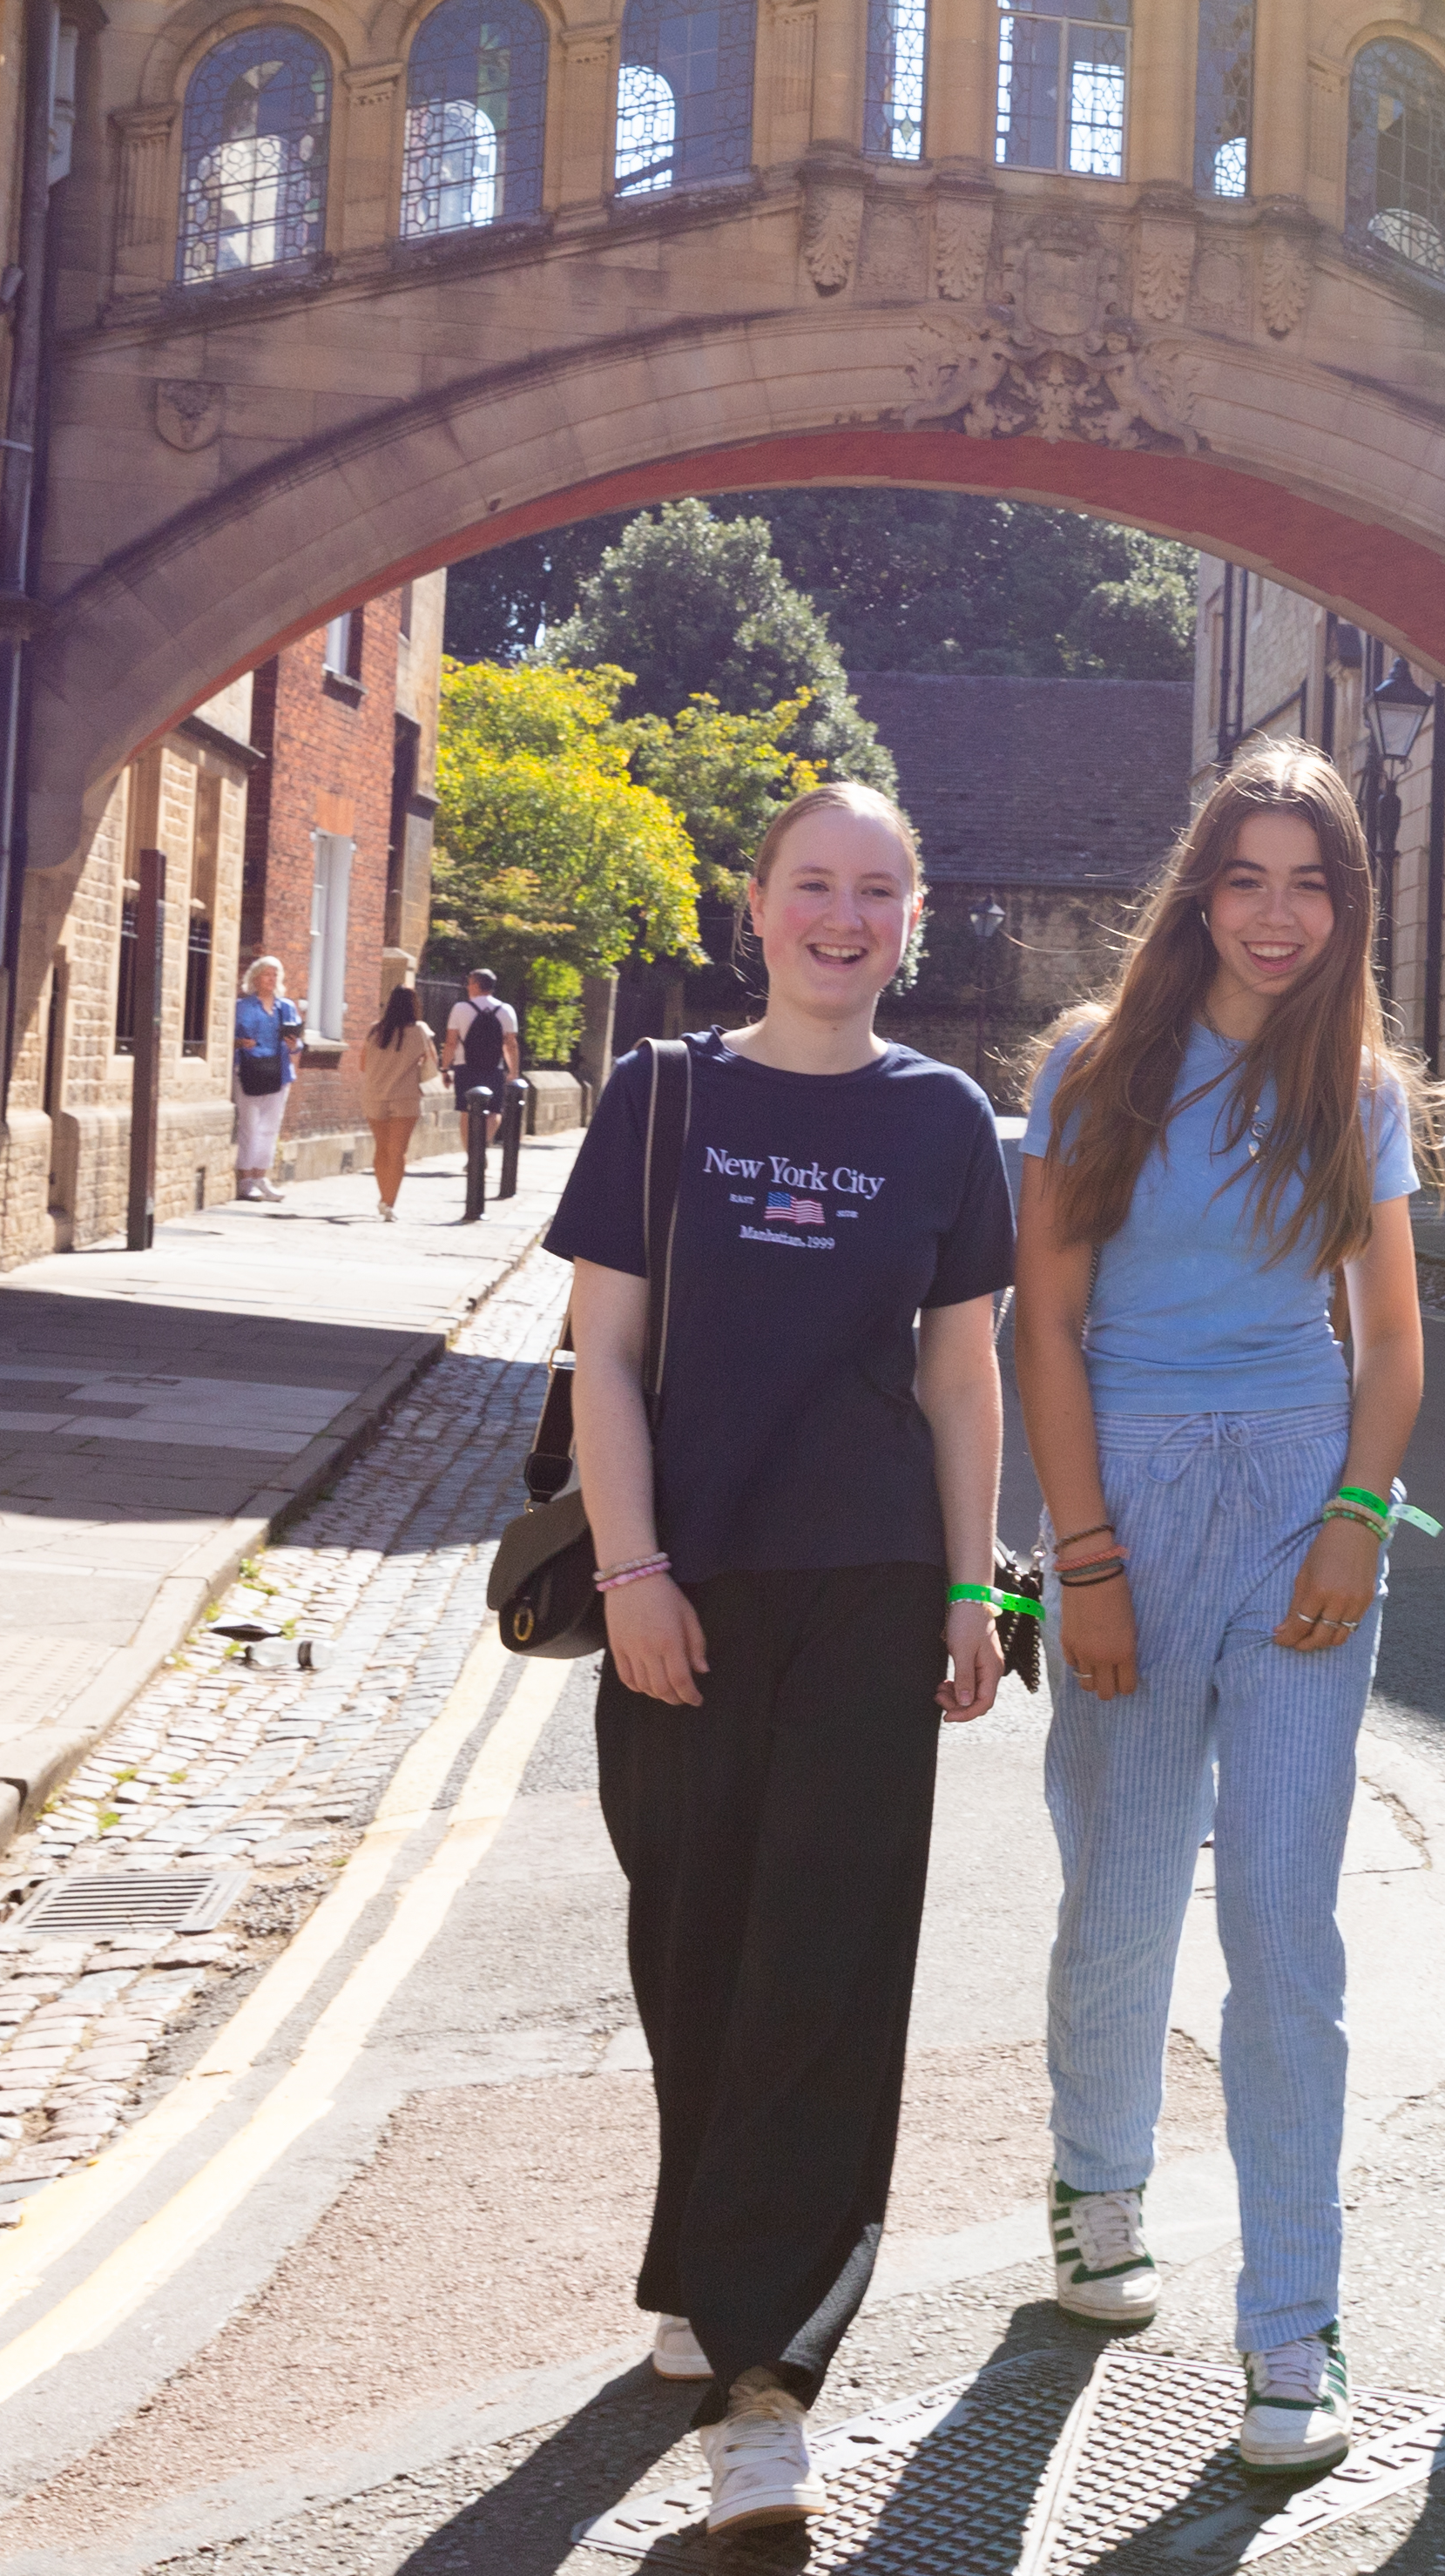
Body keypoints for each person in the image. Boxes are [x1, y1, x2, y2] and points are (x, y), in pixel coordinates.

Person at [544, 780, 1018, 2537]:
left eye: (877, 890)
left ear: (914, 915)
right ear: (755, 904)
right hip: (687, 1582)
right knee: (694, 1939)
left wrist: (976, 1595)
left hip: (870, 1584)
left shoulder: (946, 1119)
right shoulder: (667, 1096)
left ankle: (767, 2377)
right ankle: (705, 2244)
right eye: (814, 884)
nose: (844, 915)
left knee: (825, 1962)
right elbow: (604, 1357)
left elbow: (960, 1375)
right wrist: (635, 1568)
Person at [1017, 744, 1430, 2479]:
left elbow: (1396, 1342)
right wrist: (1083, 1553)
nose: (1276, 913)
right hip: (1123, 1484)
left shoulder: (1362, 1086)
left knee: (1282, 1923)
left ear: (1346, 905)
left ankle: (1292, 2320)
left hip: (1297, 1504)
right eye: (1247, 876)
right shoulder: (1093, 1065)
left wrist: (1352, 1516)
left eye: (1310, 882)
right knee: (1118, 1893)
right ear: (1198, 886)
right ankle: (1098, 2184)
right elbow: (1038, 1326)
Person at [363, 953, 436, 1222]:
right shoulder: (420, 1031)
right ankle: (389, 1203)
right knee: (398, 1152)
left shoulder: (374, 1031)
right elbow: (432, 1067)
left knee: (381, 1149)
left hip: (374, 1095)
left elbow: (363, 1064)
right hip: (405, 1097)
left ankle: (383, 1197)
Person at [230, 956, 307, 1205]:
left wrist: (295, 1045)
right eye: (267, 974)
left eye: (275, 975)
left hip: (278, 1073)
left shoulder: (286, 1007)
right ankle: (245, 1180)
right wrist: (241, 1043)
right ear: (255, 978)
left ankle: (261, 1177)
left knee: (269, 1128)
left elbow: (298, 1044)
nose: (272, 979)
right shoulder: (242, 1006)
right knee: (249, 1126)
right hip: (250, 1070)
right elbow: (227, 1038)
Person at [449, 968, 523, 1223]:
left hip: (464, 1066)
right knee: (495, 1111)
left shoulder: (461, 1008)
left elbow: (451, 1041)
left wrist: (445, 1067)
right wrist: (513, 1071)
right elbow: (510, 1043)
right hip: (494, 1068)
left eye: (469, 983)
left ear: (476, 985)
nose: (467, 987)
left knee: (466, 1111)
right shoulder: (506, 1010)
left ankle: (473, 1156)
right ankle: (481, 1148)